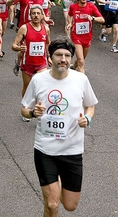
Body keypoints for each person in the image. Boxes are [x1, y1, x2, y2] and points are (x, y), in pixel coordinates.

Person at [21, 38, 98, 217]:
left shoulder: (81, 79)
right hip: (45, 150)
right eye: (58, 55)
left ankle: (56, 185)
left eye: (67, 55)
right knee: (53, 203)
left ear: (71, 59)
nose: (63, 59)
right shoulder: (38, 80)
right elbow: (24, 109)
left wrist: (87, 118)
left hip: (72, 150)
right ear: (50, 57)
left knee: (70, 205)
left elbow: (91, 105)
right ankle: (52, 190)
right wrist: (33, 113)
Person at [12, 5, 51, 121]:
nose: (36, 15)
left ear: (42, 15)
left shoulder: (46, 29)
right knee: (27, 87)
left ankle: (40, 111)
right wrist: (19, 49)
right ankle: (26, 109)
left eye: (38, 13)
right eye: (33, 13)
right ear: (30, 15)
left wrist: (48, 57)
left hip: (41, 63)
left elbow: (48, 44)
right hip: (27, 62)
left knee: (42, 87)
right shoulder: (24, 28)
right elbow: (14, 45)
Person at [67, 0, 104, 73]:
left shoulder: (91, 7)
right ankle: (82, 83)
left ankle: (73, 67)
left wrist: (93, 18)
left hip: (87, 37)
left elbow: (102, 19)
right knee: (81, 61)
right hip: (76, 37)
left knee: (81, 59)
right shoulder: (73, 7)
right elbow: (69, 15)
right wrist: (69, 23)